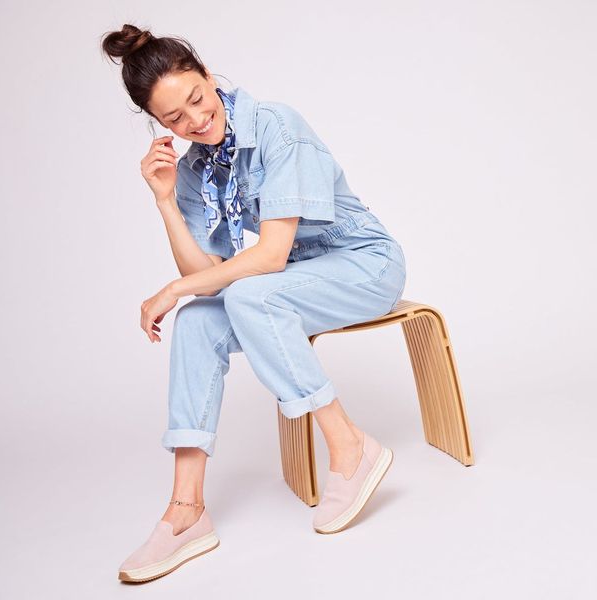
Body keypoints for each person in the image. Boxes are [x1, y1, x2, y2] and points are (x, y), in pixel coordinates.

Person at [101, 23, 407, 583]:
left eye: (198, 98)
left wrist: (171, 289)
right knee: (197, 322)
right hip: (291, 283)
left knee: (244, 293)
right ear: (160, 124)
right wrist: (165, 201)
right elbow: (205, 279)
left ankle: (350, 445)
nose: (195, 121)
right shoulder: (195, 169)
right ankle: (187, 510)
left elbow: (268, 256)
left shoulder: (276, 126)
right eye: (175, 118)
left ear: (208, 75)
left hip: (363, 265)